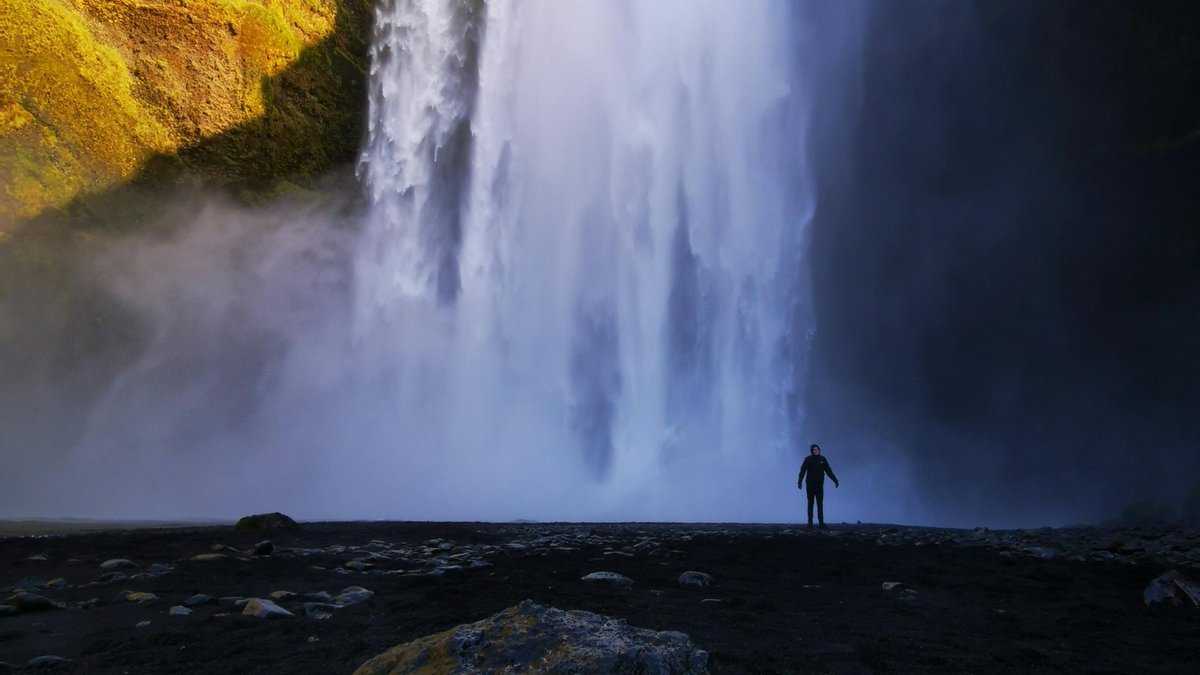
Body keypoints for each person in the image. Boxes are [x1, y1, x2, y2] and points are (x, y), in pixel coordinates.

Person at [797, 443, 839, 528]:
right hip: (810, 486)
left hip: (819, 486)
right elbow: (802, 471)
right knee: (810, 504)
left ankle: (821, 523)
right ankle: (810, 523)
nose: (816, 451)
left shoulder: (822, 459)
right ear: (812, 451)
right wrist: (799, 482)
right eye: (814, 450)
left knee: (820, 504)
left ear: (819, 450)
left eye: (817, 449)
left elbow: (828, 471)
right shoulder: (808, 459)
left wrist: (835, 480)